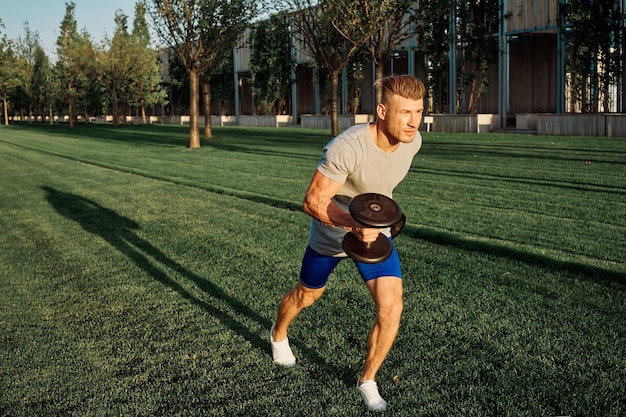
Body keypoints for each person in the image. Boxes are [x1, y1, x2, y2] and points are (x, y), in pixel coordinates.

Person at [270, 74, 425, 412]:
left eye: (419, 112)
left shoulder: (413, 142)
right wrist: (354, 225)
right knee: (307, 295)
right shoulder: (348, 146)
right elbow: (312, 200)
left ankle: (367, 379)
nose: (414, 122)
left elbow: (381, 187)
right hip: (332, 232)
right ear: (382, 111)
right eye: (405, 113)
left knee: (392, 306)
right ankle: (278, 333)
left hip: (374, 235)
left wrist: (380, 219)